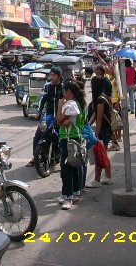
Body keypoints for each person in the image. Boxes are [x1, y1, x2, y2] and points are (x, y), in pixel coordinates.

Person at [27, 66, 64, 167]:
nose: (51, 77)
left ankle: (62, 156)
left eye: (54, 75)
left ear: (59, 76)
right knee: (38, 135)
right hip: (49, 115)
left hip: (61, 116)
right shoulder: (47, 86)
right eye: (50, 75)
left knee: (62, 137)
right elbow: (42, 100)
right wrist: (38, 112)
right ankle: (35, 157)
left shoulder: (64, 87)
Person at [57, 81, 85, 210]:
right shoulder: (77, 103)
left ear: (69, 91)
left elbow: (59, 121)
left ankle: (68, 197)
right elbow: (64, 122)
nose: (63, 93)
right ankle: (74, 193)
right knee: (74, 166)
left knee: (66, 167)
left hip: (68, 139)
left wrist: (59, 106)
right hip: (74, 137)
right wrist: (64, 121)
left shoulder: (70, 105)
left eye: (64, 91)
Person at [86, 74, 113, 188]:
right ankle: (108, 177)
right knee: (103, 155)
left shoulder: (100, 100)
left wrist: (96, 135)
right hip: (107, 129)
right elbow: (95, 114)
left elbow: (100, 119)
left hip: (103, 131)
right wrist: (88, 124)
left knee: (99, 156)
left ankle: (97, 180)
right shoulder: (105, 97)